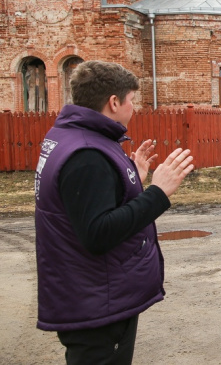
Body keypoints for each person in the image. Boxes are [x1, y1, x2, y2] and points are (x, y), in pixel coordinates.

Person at [34, 60, 194, 365]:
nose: (134, 108)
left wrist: (131, 177)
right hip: (97, 303)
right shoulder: (87, 154)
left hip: (90, 293)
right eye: (132, 100)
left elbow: (85, 202)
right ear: (113, 102)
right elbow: (98, 233)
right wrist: (158, 193)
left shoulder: (70, 137)